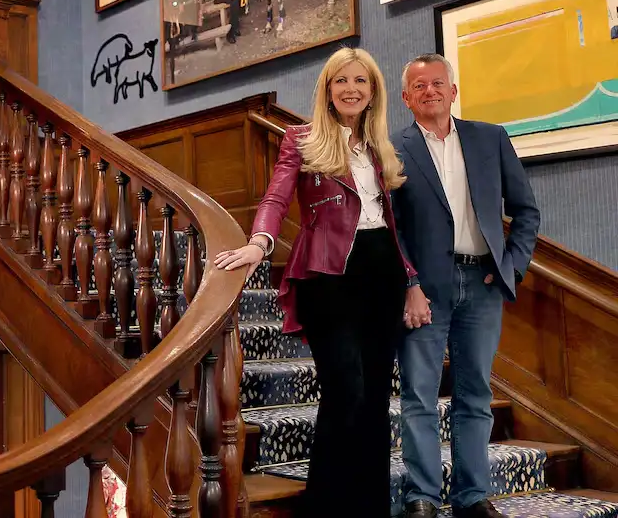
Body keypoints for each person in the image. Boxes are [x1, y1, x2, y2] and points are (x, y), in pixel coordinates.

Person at [213, 47, 416, 517]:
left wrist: (410, 280)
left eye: (360, 81)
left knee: (375, 399)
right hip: (328, 275)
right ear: (327, 89)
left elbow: (389, 223)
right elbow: (277, 196)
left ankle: (370, 507)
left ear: (373, 92)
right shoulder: (301, 140)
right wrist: (259, 244)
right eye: (341, 80)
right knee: (345, 388)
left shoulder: (379, 146)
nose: (351, 89)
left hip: (380, 272)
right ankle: (328, 505)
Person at [392, 54, 540, 518]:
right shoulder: (392, 148)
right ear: (406, 98)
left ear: (454, 91)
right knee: (419, 395)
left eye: (438, 83)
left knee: (474, 394)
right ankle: (422, 497)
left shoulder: (490, 138)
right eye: (420, 87)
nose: (430, 92)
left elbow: (526, 211)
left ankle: (472, 497)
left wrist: (511, 267)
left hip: (483, 283)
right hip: (424, 293)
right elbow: (391, 228)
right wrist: (409, 283)